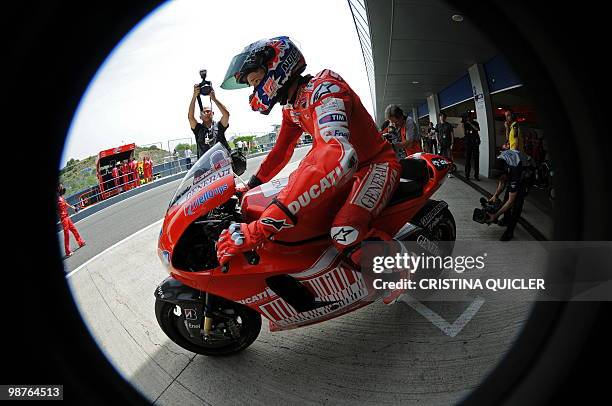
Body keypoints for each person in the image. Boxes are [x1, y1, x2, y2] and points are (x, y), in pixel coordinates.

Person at [216, 35, 400, 269]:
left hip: (375, 165)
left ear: (275, 67)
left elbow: (336, 154)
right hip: (351, 172)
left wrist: (262, 227)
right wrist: (250, 186)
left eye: (255, 81)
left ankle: (400, 269)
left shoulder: (325, 91)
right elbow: (281, 152)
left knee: (344, 231)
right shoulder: (292, 106)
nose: (254, 91)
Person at [486, 149, 535, 241]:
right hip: (513, 170)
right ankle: (506, 219)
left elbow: (511, 201)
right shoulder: (499, 160)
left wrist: (495, 216)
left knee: (516, 204)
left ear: (505, 173)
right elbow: (502, 181)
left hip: (526, 173)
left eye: (501, 177)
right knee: (506, 198)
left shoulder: (514, 169)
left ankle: (510, 231)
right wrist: (495, 195)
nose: (500, 180)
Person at [188, 85, 231, 158]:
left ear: (212, 113)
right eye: (203, 112)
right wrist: (194, 96)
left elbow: (226, 115)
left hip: (222, 161)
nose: (206, 113)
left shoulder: (219, 126)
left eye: (208, 111)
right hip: (206, 165)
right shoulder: (198, 129)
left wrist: (214, 99)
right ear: (200, 117)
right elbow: (190, 117)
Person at [57, 183, 86, 257]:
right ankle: (67, 252)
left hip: (67, 216)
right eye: (61, 187)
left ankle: (80, 242)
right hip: (63, 218)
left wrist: (72, 207)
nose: (62, 187)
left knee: (74, 229)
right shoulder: (57, 198)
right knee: (66, 234)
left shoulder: (61, 197)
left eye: (62, 186)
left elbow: (65, 203)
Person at [435, 112, 455, 177]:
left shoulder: (449, 125)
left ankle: (449, 172)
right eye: (441, 116)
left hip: (448, 144)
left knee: (449, 158)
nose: (442, 118)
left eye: (444, 117)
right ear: (439, 117)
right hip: (440, 145)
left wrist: (452, 143)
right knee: (440, 158)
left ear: (445, 117)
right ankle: (441, 171)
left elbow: (452, 134)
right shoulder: (437, 125)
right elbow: (436, 134)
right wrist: (437, 141)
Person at [462, 111, 481, 181]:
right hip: (468, 144)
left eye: (471, 116)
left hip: (475, 143)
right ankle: (467, 175)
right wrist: (466, 124)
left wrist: (470, 123)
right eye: (469, 116)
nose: (469, 118)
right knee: (467, 160)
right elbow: (464, 132)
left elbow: (478, 129)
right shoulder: (465, 124)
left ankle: (476, 175)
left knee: (476, 160)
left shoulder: (475, 123)